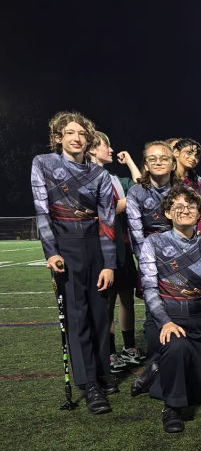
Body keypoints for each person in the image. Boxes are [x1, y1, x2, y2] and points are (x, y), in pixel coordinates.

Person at [32, 112, 117, 414]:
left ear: (88, 139)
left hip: (95, 245)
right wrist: (51, 252)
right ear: (58, 137)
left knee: (100, 314)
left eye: (81, 133)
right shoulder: (43, 164)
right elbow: (43, 213)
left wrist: (109, 263)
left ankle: (102, 372)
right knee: (77, 316)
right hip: (65, 247)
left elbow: (107, 220)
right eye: (69, 132)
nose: (76, 137)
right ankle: (88, 383)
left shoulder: (101, 175)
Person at [135, 184, 201, 433]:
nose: (185, 210)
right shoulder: (153, 243)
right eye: (178, 207)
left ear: (199, 213)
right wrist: (165, 321)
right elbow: (150, 290)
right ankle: (172, 410)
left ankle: (156, 375)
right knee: (178, 345)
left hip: (200, 319)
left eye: (191, 206)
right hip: (166, 319)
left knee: (197, 391)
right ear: (167, 213)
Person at [89, 131, 144, 373]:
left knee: (126, 298)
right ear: (92, 149)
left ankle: (129, 347)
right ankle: (109, 352)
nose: (110, 150)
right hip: (103, 247)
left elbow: (140, 185)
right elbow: (106, 208)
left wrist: (131, 161)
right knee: (107, 302)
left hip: (123, 246)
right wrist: (132, 202)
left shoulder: (112, 177)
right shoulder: (88, 176)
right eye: (105, 146)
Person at [127, 141, 179, 259]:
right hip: (148, 250)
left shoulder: (184, 191)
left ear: (174, 165)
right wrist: (145, 259)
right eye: (152, 159)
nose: (158, 163)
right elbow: (136, 231)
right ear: (146, 166)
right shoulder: (135, 193)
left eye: (164, 159)